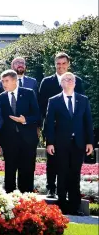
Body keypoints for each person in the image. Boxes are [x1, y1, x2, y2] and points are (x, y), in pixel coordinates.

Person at [44, 72, 94, 216]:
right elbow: (49, 124)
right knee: (62, 173)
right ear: (61, 83)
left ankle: (75, 206)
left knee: (75, 175)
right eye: (66, 79)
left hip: (78, 143)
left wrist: (90, 142)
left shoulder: (83, 100)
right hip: (61, 143)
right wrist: (50, 143)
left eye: (71, 79)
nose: (69, 81)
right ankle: (62, 206)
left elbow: (88, 122)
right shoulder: (54, 100)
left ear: (75, 83)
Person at [39, 52, 87, 198]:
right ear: (55, 65)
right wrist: (45, 129)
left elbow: (82, 108)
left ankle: (68, 192)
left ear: (68, 64)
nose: (61, 66)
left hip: (72, 132)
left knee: (71, 165)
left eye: (63, 64)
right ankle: (51, 187)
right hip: (54, 129)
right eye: (58, 64)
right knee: (52, 160)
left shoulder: (76, 81)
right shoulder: (47, 82)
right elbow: (41, 105)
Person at [0, 70, 40, 193]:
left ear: (15, 80)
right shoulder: (0, 98)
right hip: (9, 141)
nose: (4, 83)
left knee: (27, 169)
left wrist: (25, 120)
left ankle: (27, 197)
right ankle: (10, 198)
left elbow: (37, 115)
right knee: (9, 169)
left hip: (28, 139)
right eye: (2, 81)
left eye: (7, 81)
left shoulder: (28, 93)